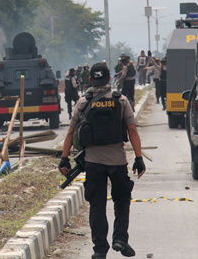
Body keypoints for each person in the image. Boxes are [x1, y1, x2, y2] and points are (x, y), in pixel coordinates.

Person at [59, 62, 145, 259]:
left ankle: (99, 249)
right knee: (122, 200)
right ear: (109, 79)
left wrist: (64, 159)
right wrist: (139, 158)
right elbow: (132, 130)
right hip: (117, 161)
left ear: (90, 80)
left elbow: (71, 132)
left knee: (97, 204)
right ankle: (120, 238)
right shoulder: (121, 100)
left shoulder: (83, 102)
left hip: (93, 163)